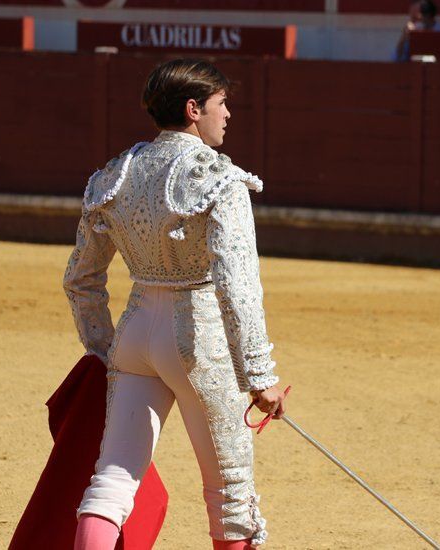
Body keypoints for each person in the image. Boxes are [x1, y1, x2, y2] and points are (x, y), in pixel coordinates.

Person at [64, 58, 286, 550]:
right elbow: (237, 284)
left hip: (135, 333)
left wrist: (105, 349)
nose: (228, 114)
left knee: (112, 480)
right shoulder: (220, 178)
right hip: (197, 338)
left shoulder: (115, 174)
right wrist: (259, 375)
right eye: (221, 103)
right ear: (193, 109)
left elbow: (81, 278)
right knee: (230, 492)